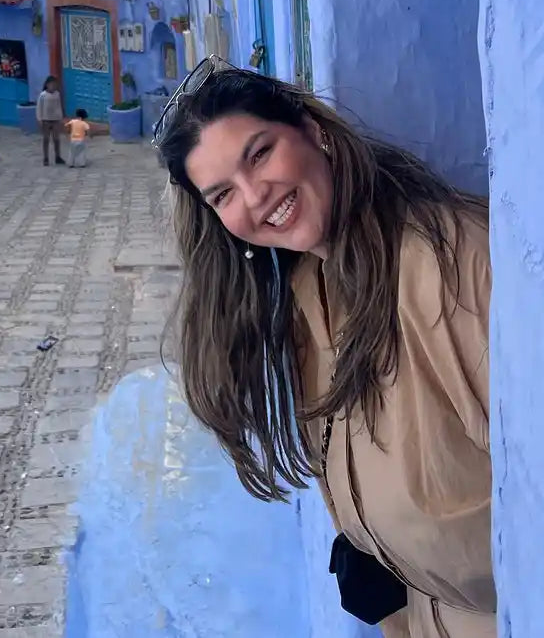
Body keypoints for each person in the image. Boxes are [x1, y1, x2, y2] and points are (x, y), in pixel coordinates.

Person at [154, 58, 493, 638]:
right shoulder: (312, 287)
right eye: (222, 195)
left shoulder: (447, 266)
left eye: (259, 154)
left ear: (314, 131)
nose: (255, 196)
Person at [36, 75, 65, 166]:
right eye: (52, 84)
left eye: (55, 85)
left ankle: (58, 156)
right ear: (47, 85)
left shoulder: (57, 94)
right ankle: (46, 158)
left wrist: (60, 117)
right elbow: (39, 107)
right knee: (46, 139)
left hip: (55, 119)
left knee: (56, 139)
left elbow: (58, 106)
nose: (53, 86)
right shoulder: (43, 95)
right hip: (46, 120)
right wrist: (39, 118)